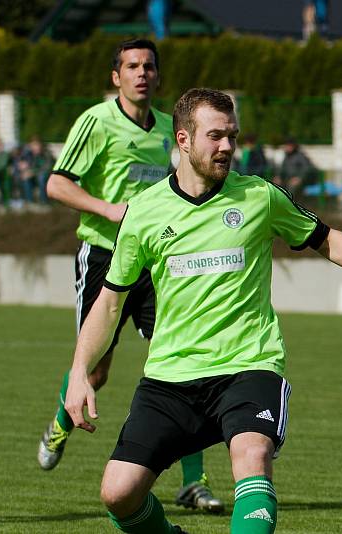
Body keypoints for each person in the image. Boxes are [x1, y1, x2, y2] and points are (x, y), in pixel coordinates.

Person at [64, 87, 342, 534]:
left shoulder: (259, 197)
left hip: (249, 365)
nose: (227, 147)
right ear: (183, 139)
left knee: (252, 455)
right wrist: (79, 372)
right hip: (170, 375)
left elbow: (326, 237)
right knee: (119, 494)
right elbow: (109, 302)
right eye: (215, 136)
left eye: (232, 136)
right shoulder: (143, 213)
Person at [38, 39, 223, 513]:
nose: (142, 73)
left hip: (154, 262)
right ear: (116, 76)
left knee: (184, 360)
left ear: (158, 77)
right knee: (97, 369)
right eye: (132, 66)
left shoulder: (169, 129)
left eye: (149, 66)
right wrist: (109, 209)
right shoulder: (96, 122)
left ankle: (192, 480)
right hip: (103, 255)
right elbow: (56, 183)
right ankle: (61, 420)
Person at [16, 135, 55, 204]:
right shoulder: (30, 155)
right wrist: (25, 168)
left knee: (41, 178)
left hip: (49, 178)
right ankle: (29, 202)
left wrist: (32, 172)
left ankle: (44, 202)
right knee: (25, 178)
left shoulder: (47, 154)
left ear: (41, 145)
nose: (35, 147)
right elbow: (29, 166)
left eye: (37, 145)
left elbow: (47, 168)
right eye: (32, 145)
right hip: (35, 177)